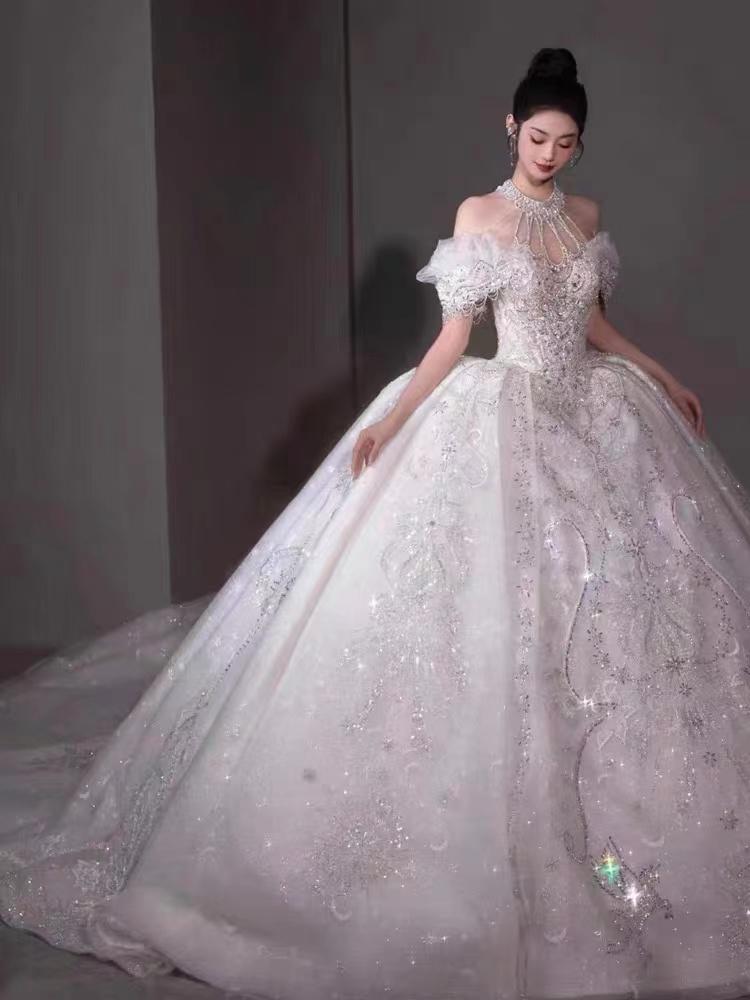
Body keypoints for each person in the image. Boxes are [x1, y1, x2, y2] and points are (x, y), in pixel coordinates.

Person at [1, 44, 749, 1000]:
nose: (550, 155)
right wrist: (392, 422)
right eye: (537, 137)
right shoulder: (478, 217)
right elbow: (455, 339)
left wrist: (662, 374)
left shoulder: (588, 218)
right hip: (505, 411)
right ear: (510, 128)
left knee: (628, 613)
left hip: (594, 413)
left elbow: (593, 326)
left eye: (566, 143)